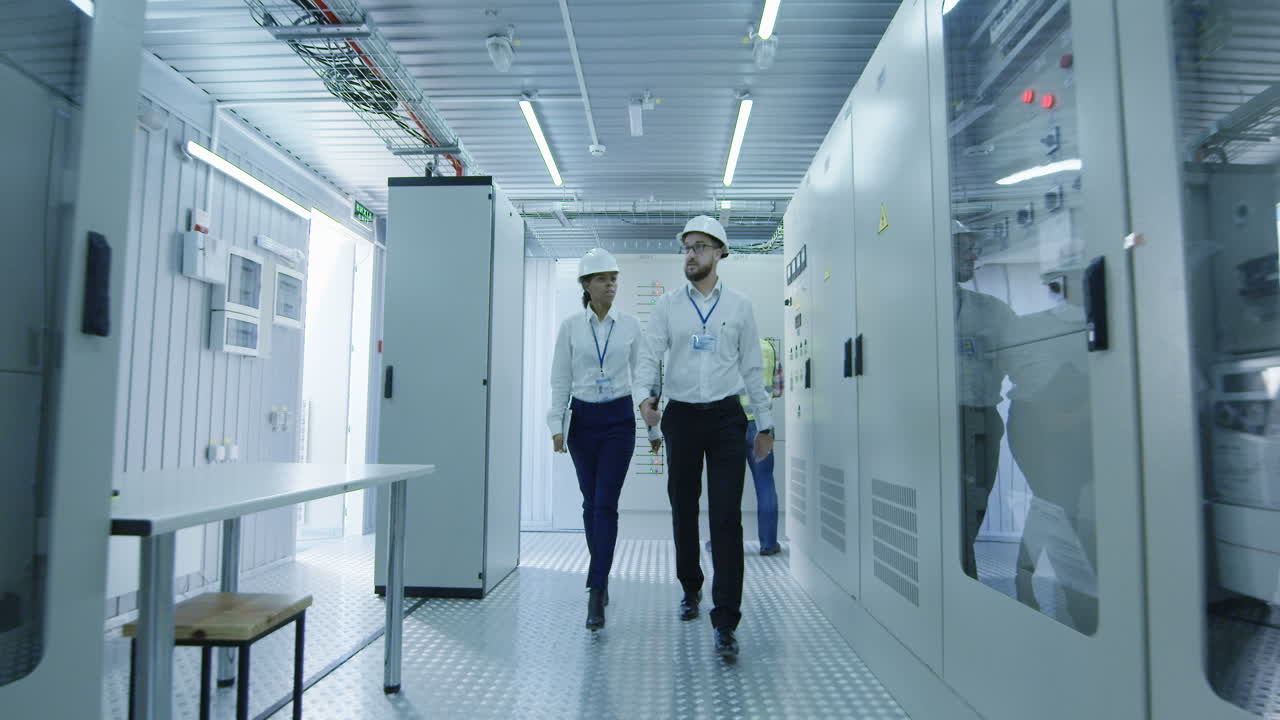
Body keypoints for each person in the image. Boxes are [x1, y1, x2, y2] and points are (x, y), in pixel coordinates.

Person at [635, 215, 775, 661]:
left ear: (719, 252)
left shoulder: (739, 306)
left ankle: (726, 619)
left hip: (727, 418)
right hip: (681, 417)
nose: (690, 255)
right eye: (687, 247)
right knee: (683, 507)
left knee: (726, 517)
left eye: (699, 247)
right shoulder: (668, 306)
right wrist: (644, 400)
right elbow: (649, 355)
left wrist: (766, 425)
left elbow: (752, 368)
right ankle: (690, 586)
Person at [548, 248, 661, 632]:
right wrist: (556, 426)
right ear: (586, 284)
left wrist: (652, 426)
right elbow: (560, 380)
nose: (611, 284)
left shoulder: (629, 326)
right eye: (602, 279)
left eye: (614, 278)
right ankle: (601, 572)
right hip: (581, 421)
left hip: (618, 421)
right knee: (590, 502)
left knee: (606, 504)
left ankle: (596, 589)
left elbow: (642, 377)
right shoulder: (570, 328)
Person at [953, 221, 1018, 578]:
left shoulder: (990, 309)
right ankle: (960, 579)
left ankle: (962, 578)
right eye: (965, 249)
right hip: (930, 421)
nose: (973, 256)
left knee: (973, 504)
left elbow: (1024, 363)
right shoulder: (910, 309)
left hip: (979, 418)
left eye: (973, 249)